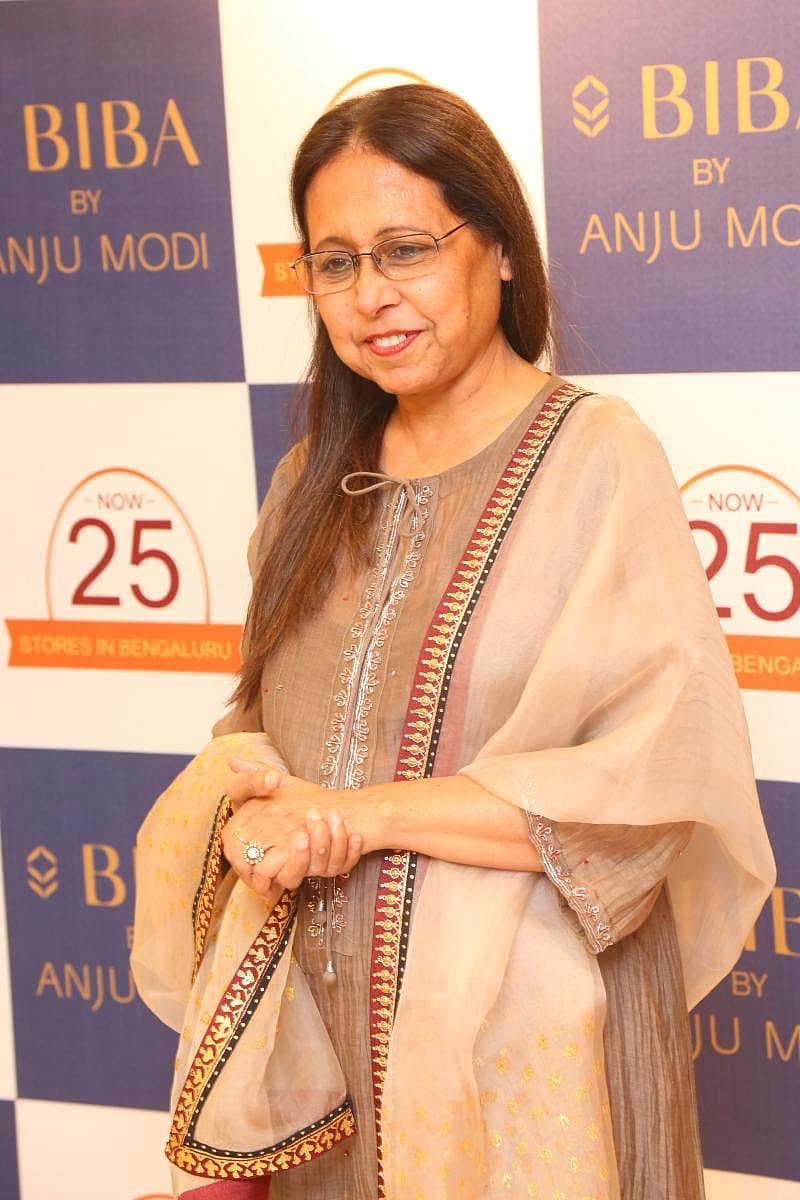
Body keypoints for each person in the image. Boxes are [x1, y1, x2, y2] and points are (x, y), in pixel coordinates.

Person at [132, 84, 775, 1200]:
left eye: (406, 250)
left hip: (520, 1058)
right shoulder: (310, 480)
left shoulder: (595, 457)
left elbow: (642, 789)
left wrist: (353, 819)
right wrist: (250, 807)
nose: (370, 295)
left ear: (502, 250)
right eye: (335, 263)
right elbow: (256, 732)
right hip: (319, 1060)